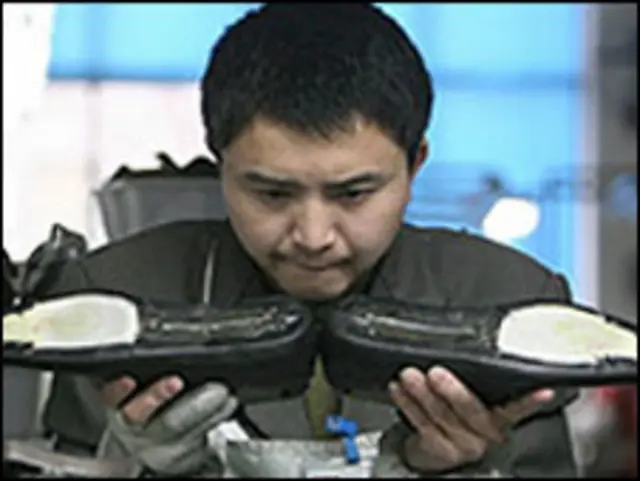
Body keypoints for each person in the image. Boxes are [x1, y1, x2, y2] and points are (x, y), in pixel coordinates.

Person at [36, 3, 579, 477]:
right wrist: (130, 463)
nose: (313, 237)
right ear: (219, 163)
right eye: (272, 194)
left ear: (414, 166)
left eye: (353, 194)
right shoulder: (113, 303)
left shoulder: (508, 305)